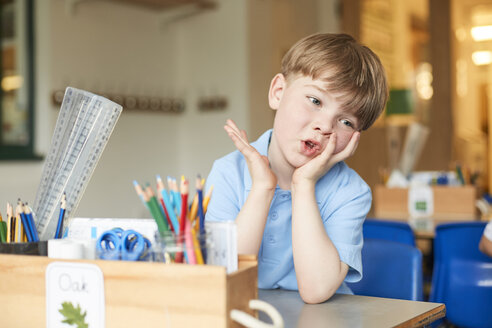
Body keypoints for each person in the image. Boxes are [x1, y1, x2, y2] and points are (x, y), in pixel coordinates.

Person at [205, 33, 388, 304]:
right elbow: (222, 278)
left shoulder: (351, 191)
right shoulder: (227, 172)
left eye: (346, 122)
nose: (325, 126)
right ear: (278, 92)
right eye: (315, 101)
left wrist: (304, 184)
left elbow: (316, 290)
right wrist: (263, 188)